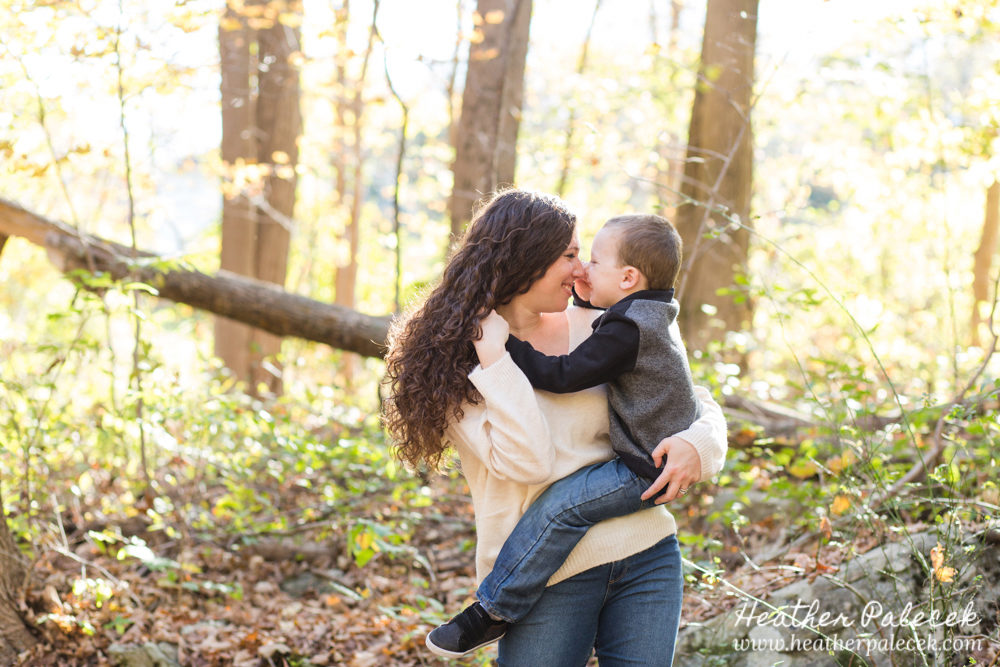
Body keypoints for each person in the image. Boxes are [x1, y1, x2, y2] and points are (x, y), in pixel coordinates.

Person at [383, 189, 727, 665]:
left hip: (647, 552)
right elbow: (530, 462)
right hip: (546, 579)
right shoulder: (458, 365)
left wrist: (699, 444)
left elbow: (689, 396)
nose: (581, 269)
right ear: (526, 260)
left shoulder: (604, 321)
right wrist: (496, 357)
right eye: (569, 255)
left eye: (584, 256)